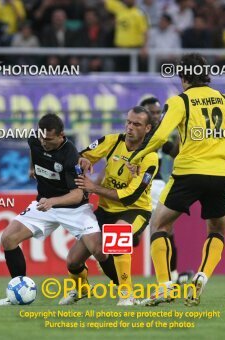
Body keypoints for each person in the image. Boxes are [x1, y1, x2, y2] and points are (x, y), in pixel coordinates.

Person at [127, 54, 225, 306]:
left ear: (183, 77)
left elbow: (160, 137)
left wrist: (137, 156)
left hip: (187, 173)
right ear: (206, 75)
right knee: (217, 230)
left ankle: (165, 285)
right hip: (219, 175)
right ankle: (202, 276)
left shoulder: (179, 101)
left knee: (160, 225)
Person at [0, 114, 117, 306]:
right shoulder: (36, 139)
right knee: (8, 239)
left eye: (49, 139)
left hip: (75, 208)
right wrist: (32, 167)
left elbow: (77, 194)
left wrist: (53, 201)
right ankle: (19, 291)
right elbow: (34, 149)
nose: (44, 142)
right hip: (44, 205)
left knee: (99, 250)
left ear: (61, 136)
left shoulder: (70, 155)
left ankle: (125, 290)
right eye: (42, 137)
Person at [61, 106, 159, 306]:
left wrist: (94, 188)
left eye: (136, 124)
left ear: (148, 128)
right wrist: (83, 164)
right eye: (128, 122)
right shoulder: (112, 141)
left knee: (118, 233)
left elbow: (130, 197)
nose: (130, 127)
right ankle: (81, 289)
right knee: (73, 260)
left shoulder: (149, 157)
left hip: (135, 210)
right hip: (105, 210)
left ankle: (127, 294)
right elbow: (80, 156)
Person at [139, 97, 179, 280]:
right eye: (152, 112)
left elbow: (176, 153)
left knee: (166, 229)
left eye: (158, 112)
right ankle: (118, 275)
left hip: (158, 186)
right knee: (131, 236)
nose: (156, 116)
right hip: (136, 188)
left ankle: (172, 274)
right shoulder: (134, 136)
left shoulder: (160, 136)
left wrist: (182, 133)